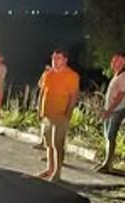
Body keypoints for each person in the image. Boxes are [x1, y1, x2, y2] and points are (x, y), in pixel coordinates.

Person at [36, 50, 80, 183]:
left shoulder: (72, 76)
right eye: (53, 58)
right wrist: (39, 110)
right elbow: (42, 92)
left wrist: (68, 114)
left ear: (65, 60)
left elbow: (73, 97)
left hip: (60, 115)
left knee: (57, 144)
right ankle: (49, 168)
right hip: (47, 114)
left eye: (58, 58)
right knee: (48, 144)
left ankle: (57, 172)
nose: (55, 61)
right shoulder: (47, 74)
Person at [96, 54, 125, 173]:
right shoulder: (116, 75)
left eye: (115, 60)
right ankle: (106, 162)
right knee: (107, 136)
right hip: (111, 109)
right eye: (113, 60)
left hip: (117, 110)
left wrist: (109, 110)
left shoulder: (124, 76)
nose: (112, 62)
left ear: (122, 62)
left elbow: (120, 96)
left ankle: (108, 164)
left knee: (111, 136)